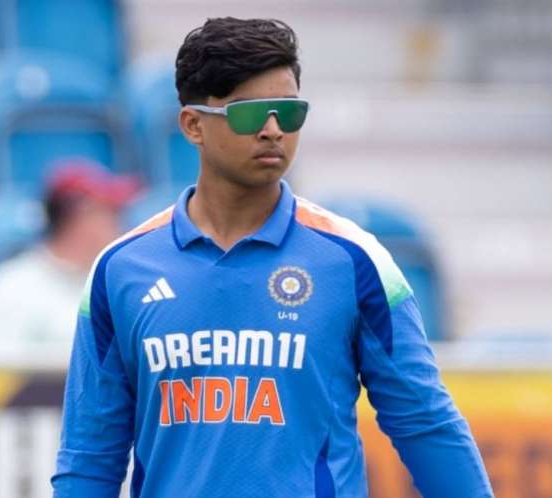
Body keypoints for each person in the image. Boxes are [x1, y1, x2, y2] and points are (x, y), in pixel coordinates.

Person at [52, 18, 494, 498]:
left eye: (288, 112)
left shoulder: (355, 260)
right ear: (193, 125)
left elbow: (425, 424)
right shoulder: (119, 269)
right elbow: (90, 456)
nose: (272, 130)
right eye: (250, 114)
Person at [0, 159, 141, 348]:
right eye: (112, 213)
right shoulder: (12, 285)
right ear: (79, 218)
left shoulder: (117, 283)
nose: (122, 224)